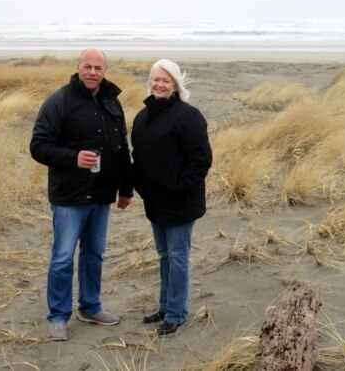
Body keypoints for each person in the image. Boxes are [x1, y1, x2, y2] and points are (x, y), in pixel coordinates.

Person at [30, 48, 132, 341]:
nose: (92, 72)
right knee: (63, 257)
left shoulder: (112, 102)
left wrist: (125, 188)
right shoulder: (59, 101)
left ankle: (90, 306)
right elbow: (38, 145)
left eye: (98, 68)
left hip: (102, 196)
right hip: (69, 196)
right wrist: (72, 157)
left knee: (94, 254)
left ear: (105, 71)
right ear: (78, 67)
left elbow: (122, 148)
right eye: (87, 66)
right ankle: (58, 316)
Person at [131, 59, 212, 335]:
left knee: (178, 257)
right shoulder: (142, 117)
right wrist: (141, 188)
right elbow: (137, 157)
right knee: (164, 255)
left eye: (165, 80)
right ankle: (165, 307)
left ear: (175, 85)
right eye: (156, 79)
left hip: (181, 202)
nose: (159, 84)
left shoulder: (188, 116)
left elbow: (201, 160)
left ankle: (177, 313)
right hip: (155, 202)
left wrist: (179, 187)